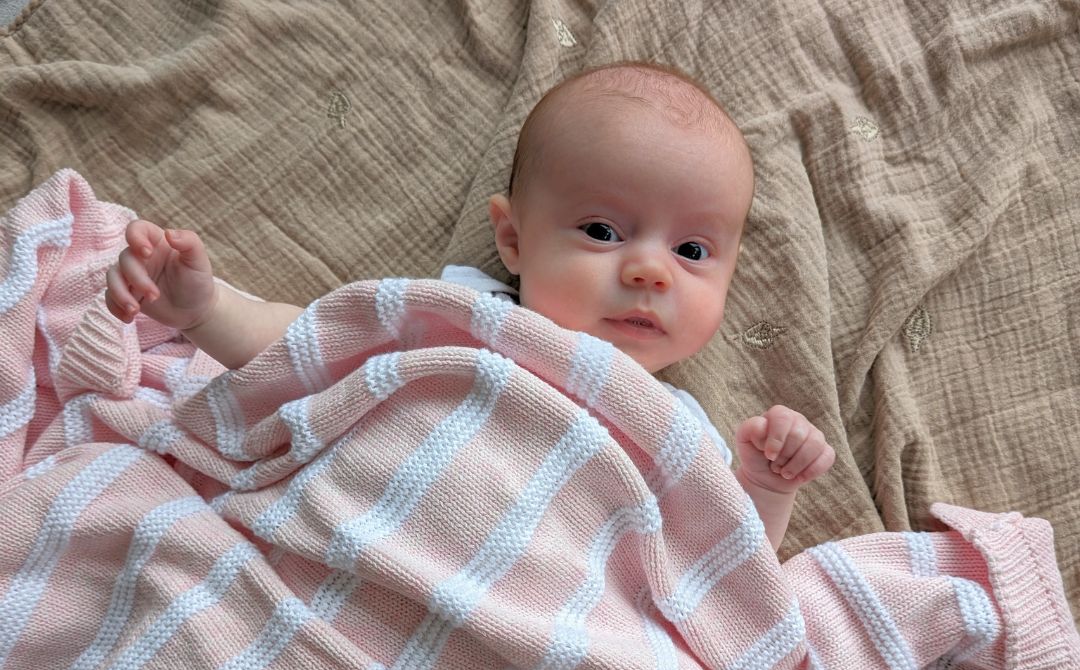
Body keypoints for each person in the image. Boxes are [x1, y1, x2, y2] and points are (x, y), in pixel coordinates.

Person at [104, 61, 835, 551]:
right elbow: (309, 344)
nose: (650, 271)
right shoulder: (462, 314)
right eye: (602, 232)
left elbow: (725, 568)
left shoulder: (679, 429)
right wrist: (204, 310)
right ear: (512, 239)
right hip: (355, 531)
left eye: (693, 251)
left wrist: (766, 487)